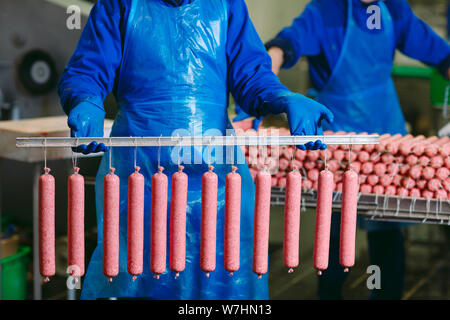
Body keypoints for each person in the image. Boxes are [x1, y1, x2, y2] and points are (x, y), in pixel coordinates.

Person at [58, 0, 334, 300]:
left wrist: (282, 97)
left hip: (217, 177)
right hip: (140, 174)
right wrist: (85, 98)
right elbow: (88, 68)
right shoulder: (120, 3)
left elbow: (251, 76)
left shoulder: (227, 5)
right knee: (138, 271)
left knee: (222, 276)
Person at [252, 0, 450, 300]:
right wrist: (265, 77)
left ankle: (385, 294)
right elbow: (288, 42)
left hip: (384, 131)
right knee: (333, 228)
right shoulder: (326, 10)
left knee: (386, 226)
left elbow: (433, 49)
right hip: (338, 133)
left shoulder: (393, 9)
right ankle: (329, 293)